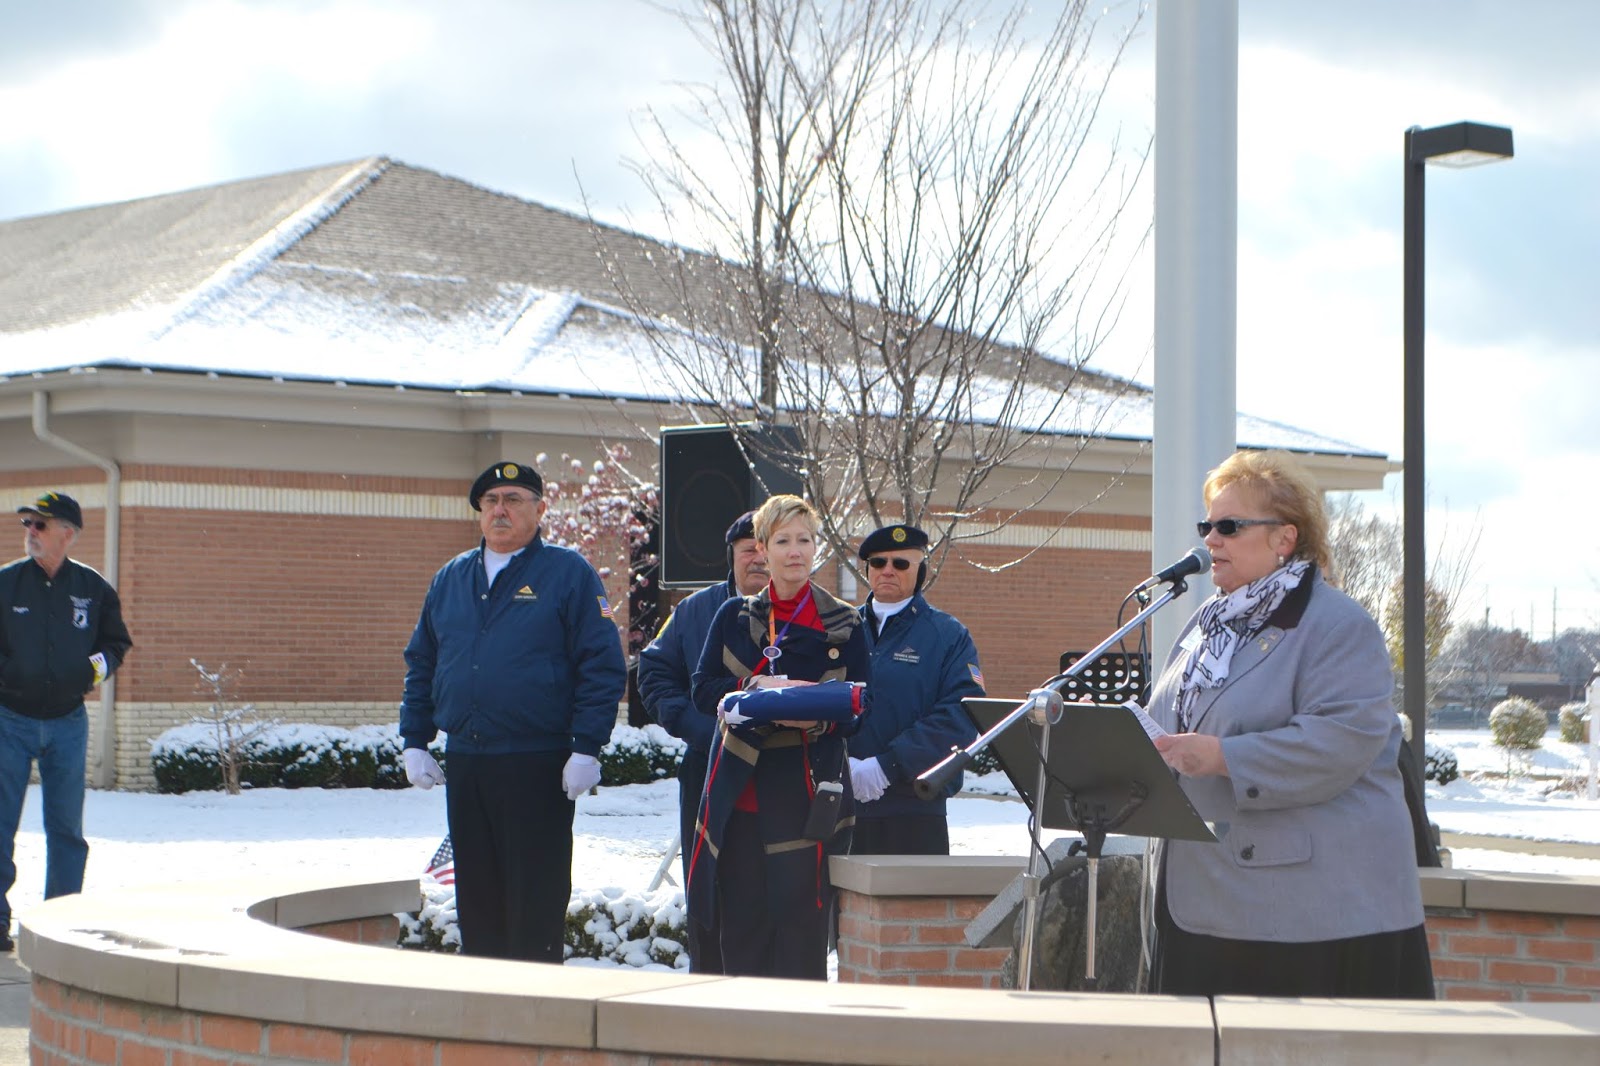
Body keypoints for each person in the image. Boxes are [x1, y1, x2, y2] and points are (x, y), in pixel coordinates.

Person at [1146, 450, 1433, 998]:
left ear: (1284, 538)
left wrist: (1223, 757)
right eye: (1207, 525)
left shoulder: (1336, 626)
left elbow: (1339, 742)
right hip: (1202, 899)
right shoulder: (1204, 633)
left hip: (1307, 914)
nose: (1211, 540)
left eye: (1229, 526)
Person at [398, 461, 627, 963]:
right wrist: (415, 739)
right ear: (480, 513)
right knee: (477, 896)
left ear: (540, 510)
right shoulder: (450, 579)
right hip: (469, 762)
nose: (500, 510)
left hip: (538, 762)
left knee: (534, 899)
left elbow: (603, 666)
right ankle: (485, 1010)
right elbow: (423, 662)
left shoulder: (567, 574)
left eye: (514, 500)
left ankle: (537, 1011)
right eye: (491, 502)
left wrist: (586, 747)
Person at [688, 494, 869, 979]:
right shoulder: (733, 616)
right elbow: (702, 691)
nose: (795, 551)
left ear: (817, 549)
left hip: (808, 799)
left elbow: (862, 712)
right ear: (762, 551)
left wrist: (811, 714)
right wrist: (754, 689)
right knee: (742, 935)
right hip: (742, 794)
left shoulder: (847, 624)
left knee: (802, 939)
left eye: (805, 540)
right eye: (783, 540)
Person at [0, 491, 133, 953]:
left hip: (67, 723)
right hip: (8, 721)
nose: (30, 533)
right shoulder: (7, 585)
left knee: (66, 831)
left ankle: (60, 922)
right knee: (0, 825)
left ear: (67, 533)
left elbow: (115, 645)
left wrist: (89, 671)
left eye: (40, 525)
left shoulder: (93, 589)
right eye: (27, 525)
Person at [636, 509, 768, 973]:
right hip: (709, 766)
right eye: (747, 549)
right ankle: (707, 988)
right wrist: (698, 728)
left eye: (767, 546)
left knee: (771, 888)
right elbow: (653, 673)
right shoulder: (693, 611)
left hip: (786, 771)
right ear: (730, 557)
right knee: (708, 884)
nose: (758, 557)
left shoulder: (812, 613)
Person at [848, 523, 983, 855]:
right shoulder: (840, 631)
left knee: (913, 907)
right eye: (878, 563)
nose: (888, 571)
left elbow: (962, 714)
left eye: (901, 563)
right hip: (840, 807)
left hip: (914, 809)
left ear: (920, 570)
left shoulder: (947, 635)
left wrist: (889, 765)